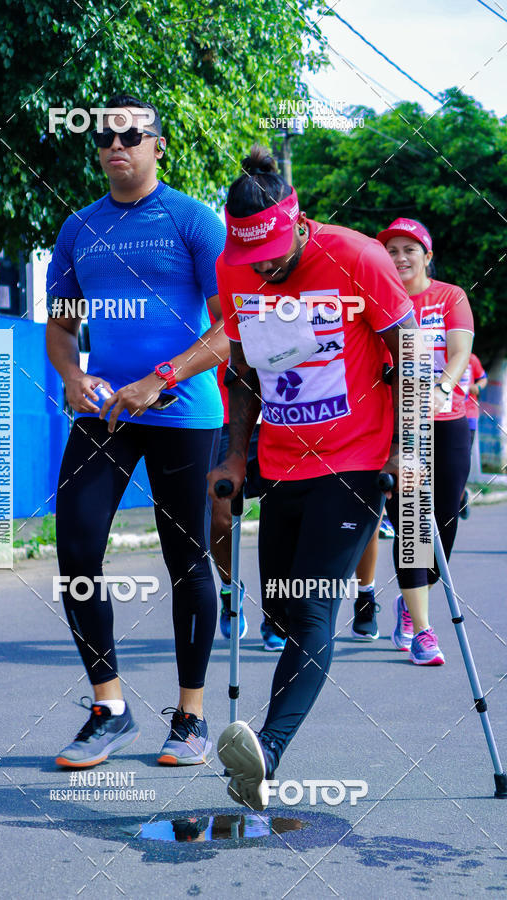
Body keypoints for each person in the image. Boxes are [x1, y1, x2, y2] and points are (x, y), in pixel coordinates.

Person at [208, 146, 416, 810]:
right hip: (283, 459)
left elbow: (407, 349)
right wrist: (238, 458)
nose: (263, 266)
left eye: (272, 250)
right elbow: (241, 371)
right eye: (251, 256)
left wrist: (407, 449)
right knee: (281, 608)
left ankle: (266, 751)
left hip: (355, 458)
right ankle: (265, 747)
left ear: (296, 220)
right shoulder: (235, 267)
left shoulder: (357, 257)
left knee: (313, 608)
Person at [45, 94, 229, 768]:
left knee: (186, 558)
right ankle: (110, 708)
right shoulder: (78, 229)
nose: (117, 143)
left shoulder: (193, 220)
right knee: (77, 550)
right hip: (105, 413)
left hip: (182, 412)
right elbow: (63, 327)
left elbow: (226, 331)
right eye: (105, 135)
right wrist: (70, 376)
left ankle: (190, 717)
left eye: (132, 133)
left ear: (157, 146)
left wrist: (163, 377)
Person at [377, 218, 474, 666]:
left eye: (408, 249)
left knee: (445, 519)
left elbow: (458, 352)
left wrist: (442, 388)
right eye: (391, 250)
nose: (399, 258)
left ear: (427, 255)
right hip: (399, 426)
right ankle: (424, 630)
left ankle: (412, 601)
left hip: (447, 418)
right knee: (412, 521)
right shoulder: (378, 299)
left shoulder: (449, 296)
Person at [210, 358, 286, 651]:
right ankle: (230, 587)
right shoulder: (217, 308)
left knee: (280, 518)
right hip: (227, 411)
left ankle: (276, 616)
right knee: (219, 514)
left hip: (281, 411)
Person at [459, 352, 487, 519]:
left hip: (468, 415)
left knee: (462, 458)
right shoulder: (436, 355)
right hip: (442, 413)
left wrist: (477, 387)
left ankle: (461, 496)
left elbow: (483, 378)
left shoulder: (471, 358)